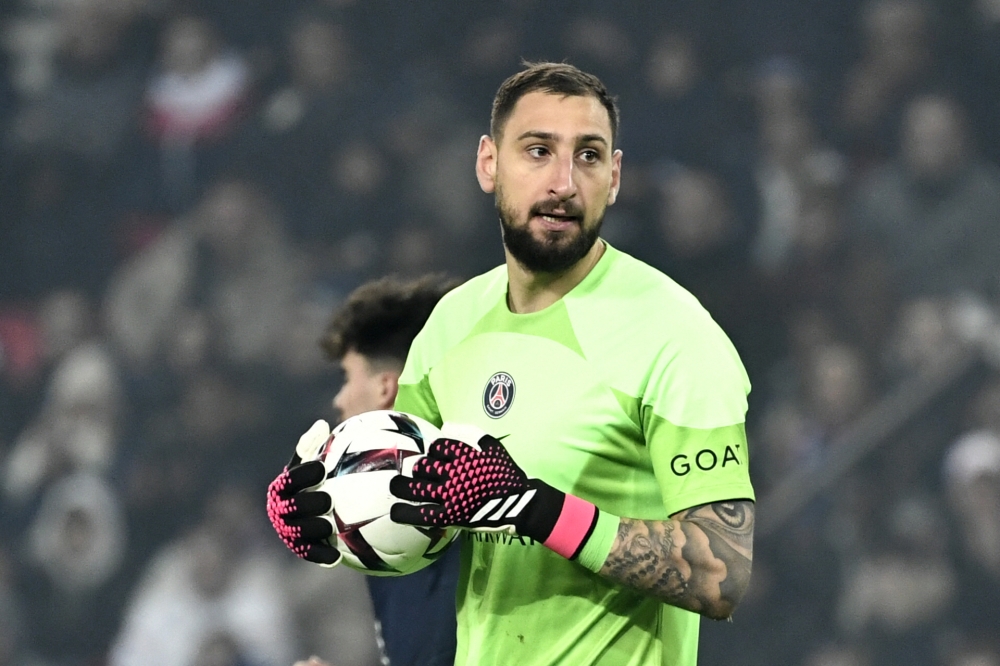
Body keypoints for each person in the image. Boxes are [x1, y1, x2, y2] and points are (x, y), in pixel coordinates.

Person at [269, 61, 755, 666]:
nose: (563, 183)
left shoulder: (674, 333)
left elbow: (721, 574)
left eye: (588, 156)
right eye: (538, 151)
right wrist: (332, 513)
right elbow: (422, 528)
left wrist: (530, 505)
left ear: (614, 178)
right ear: (488, 163)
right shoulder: (450, 325)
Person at [281, 274, 463, 666]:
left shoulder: (458, 509)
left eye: (347, 377)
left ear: (385, 388)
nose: (339, 399)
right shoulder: (379, 516)